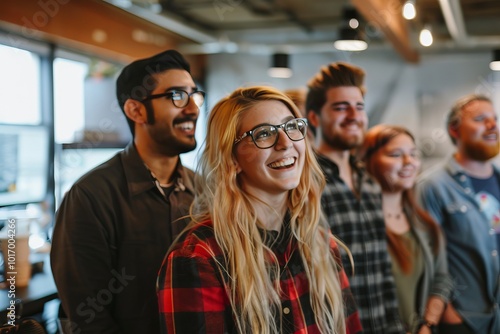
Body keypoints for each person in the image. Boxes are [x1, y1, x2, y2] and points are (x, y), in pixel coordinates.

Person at [157, 86, 363, 334]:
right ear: (232, 158)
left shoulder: (321, 243)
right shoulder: (199, 257)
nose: (286, 143)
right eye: (264, 134)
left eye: (291, 127)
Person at [50, 49, 205, 333]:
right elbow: (88, 319)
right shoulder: (90, 198)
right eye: (176, 96)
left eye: (194, 95)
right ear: (136, 110)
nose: (193, 108)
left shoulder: (206, 191)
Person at [306, 62, 404, 333]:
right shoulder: (305, 183)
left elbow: (383, 269)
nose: (353, 115)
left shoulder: (370, 183)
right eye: (340, 107)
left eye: (359, 107)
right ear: (314, 118)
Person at [416, 94, 500, 334]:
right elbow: (427, 260)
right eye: (481, 119)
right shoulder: (432, 186)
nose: (493, 125)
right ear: (454, 130)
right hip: (464, 320)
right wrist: (449, 313)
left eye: (494, 118)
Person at [362, 124, 453, 333]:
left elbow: (442, 278)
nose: (409, 162)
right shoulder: (357, 227)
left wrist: (428, 325)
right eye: (395, 155)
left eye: (413, 154)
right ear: (368, 161)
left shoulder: (424, 224)